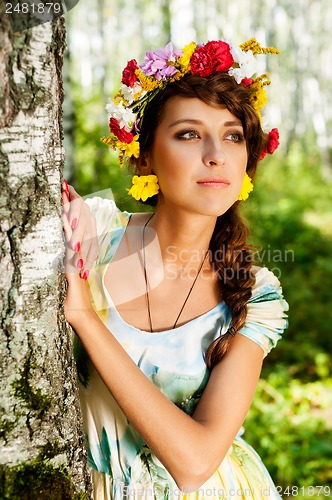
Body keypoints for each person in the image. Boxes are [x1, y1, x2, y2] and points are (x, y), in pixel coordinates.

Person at [62, 38, 289, 499]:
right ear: (143, 156)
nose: (215, 154)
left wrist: (85, 317)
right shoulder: (90, 231)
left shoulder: (255, 295)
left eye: (232, 135)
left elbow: (194, 464)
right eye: (188, 133)